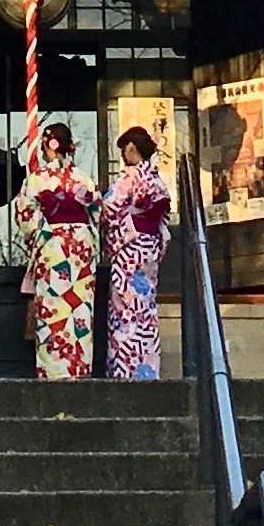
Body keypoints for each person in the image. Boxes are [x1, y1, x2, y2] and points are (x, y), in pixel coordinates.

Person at [13, 121, 98, 380]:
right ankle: (78, 370)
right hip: (81, 249)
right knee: (80, 310)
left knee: (53, 311)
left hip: (52, 246)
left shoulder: (37, 180)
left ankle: (51, 372)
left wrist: (40, 235)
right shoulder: (84, 179)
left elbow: (25, 214)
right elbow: (97, 213)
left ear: (48, 147)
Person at [98, 127, 175, 379]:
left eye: (124, 149)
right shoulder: (156, 180)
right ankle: (148, 370)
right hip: (149, 247)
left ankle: (125, 370)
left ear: (132, 149)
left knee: (124, 307)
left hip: (129, 247)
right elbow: (162, 212)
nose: (123, 154)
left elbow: (107, 211)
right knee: (146, 306)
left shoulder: (128, 179)